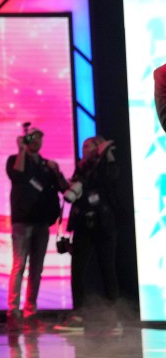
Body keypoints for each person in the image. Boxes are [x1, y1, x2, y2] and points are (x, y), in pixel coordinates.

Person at [54, 136, 121, 334]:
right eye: (83, 146)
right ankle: (78, 316)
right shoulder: (81, 168)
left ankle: (114, 318)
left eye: (89, 145)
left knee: (107, 269)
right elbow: (72, 191)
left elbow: (111, 178)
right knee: (78, 271)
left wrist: (106, 153)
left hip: (104, 224)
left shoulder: (105, 165)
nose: (85, 149)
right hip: (83, 224)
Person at [5, 127, 67, 332]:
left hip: (41, 222)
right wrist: (21, 150)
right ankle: (13, 312)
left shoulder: (46, 165)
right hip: (22, 221)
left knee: (37, 269)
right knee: (19, 264)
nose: (37, 141)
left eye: (40, 137)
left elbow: (63, 188)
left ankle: (31, 311)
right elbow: (17, 175)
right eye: (33, 138)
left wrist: (55, 170)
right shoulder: (15, 159)